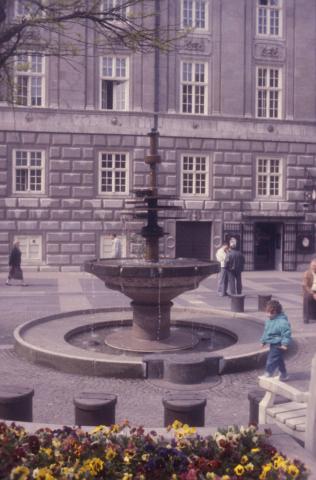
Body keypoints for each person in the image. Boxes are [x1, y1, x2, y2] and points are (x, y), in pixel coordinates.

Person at [260, 299, 292, 381]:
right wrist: (263, 341)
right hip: (273, 343)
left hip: (279, 343)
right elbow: (266, 331)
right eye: (266, 312)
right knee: (278, 359)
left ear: (274, 312)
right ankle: (284, 374)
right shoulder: (269, 320)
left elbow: (286, 333)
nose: (266, 315)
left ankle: (268, 373)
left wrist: (284, 344)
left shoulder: (282, 322)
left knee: (272, 358)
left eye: (268, 312)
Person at [302, 258, 316, 322]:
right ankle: (306, 317)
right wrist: (313, 293)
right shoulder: (307, 273)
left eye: (315, 266)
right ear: (310, 266)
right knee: (307, 297)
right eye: (313, 266)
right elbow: (305, 285)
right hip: (309, 290)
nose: (314, 267)